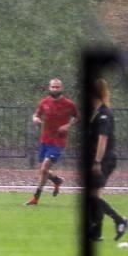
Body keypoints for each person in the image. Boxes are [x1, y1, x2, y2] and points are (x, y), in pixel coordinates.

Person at [84, 77, 127, 241]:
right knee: (95, 196)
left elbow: (103, 139)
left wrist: (97, 162)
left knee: (93, 197)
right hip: (102, 160)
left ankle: (119, 220)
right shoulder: (98, 113)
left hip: (104, 160)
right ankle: (97, 233)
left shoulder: (104, 115)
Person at [28, 77, 78, 205]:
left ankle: (36, 197)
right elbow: (36, 114)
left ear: (62, 88)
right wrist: (35, 119)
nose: (55, 89)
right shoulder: (44, 103)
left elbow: (77, 117)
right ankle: (56, 180)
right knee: (42, 170)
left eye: (57, 87)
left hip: (58, 142)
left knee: (44, 168)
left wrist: (68, 125)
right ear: (49, 88)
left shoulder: (69, 104)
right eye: (53, 87)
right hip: (45, 140)